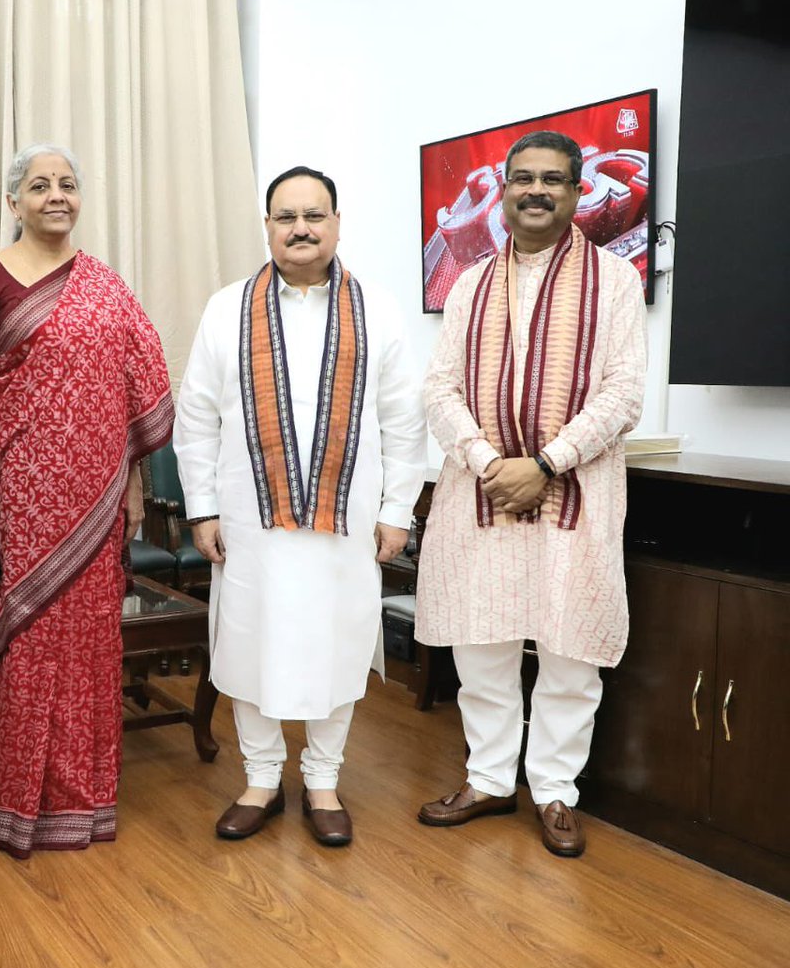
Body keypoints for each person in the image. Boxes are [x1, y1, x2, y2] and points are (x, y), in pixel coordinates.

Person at [174, 166, 427, 846]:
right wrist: (201, 508)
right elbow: (196, 417)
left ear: (337, 223)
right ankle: (260, 778)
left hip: (347, 523)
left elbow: (405, 419)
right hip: (249, 523)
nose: (301, 228)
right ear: (267, 228)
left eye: (313, 215)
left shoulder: (377, 306)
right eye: (285, 217)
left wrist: (398, 509)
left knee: (337, 645)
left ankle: (322, 779)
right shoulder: (227, 307)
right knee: (251, 644)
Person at [414, 130, 647, 857]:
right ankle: (489, 779)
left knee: (569, 649)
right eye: (523, 178)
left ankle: (554, 789)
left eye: (553, 179)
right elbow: (439, 388)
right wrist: (492, 462)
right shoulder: (469, 284)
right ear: (504, 190)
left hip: (573, 490)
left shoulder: (615, 280)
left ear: (579, 193)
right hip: (482, 490)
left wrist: (544, 463)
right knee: (482, 643)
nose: (536, 190)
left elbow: (624, 393)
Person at [0, 144, 173, 859]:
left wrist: (132, 485)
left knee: (87, 649)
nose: (56, 196)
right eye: (39, 185)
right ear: (13, 201)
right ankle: (9, 796)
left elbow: (130, 395)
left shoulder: (104, 283)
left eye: (68, 184)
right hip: (12, 495)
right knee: (23, 644)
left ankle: (80, 798)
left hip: (96, 501)